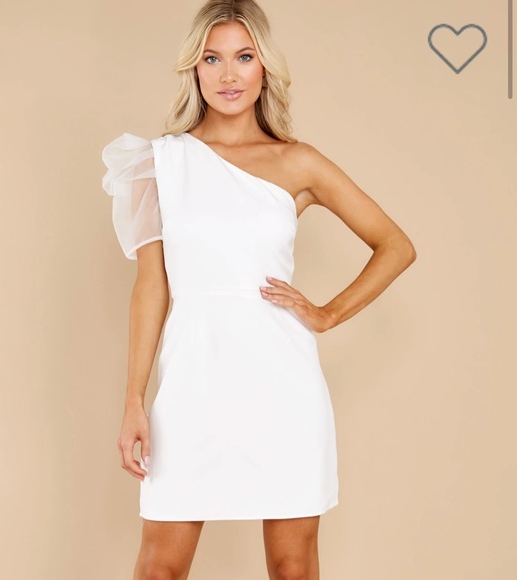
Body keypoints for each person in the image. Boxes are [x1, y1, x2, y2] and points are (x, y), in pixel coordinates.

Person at [101, 0, 416, 578]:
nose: (229, 74)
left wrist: (327, 313)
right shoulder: (158, 164)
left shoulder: (298, 163)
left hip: (283, 384)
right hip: (192, 381)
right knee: (159, 567)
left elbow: (395, 245)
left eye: (244, 57)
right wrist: (133, 402)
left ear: (264, 67)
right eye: (212, 58)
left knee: (293, 567)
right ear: (194, 68)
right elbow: (151, 287)